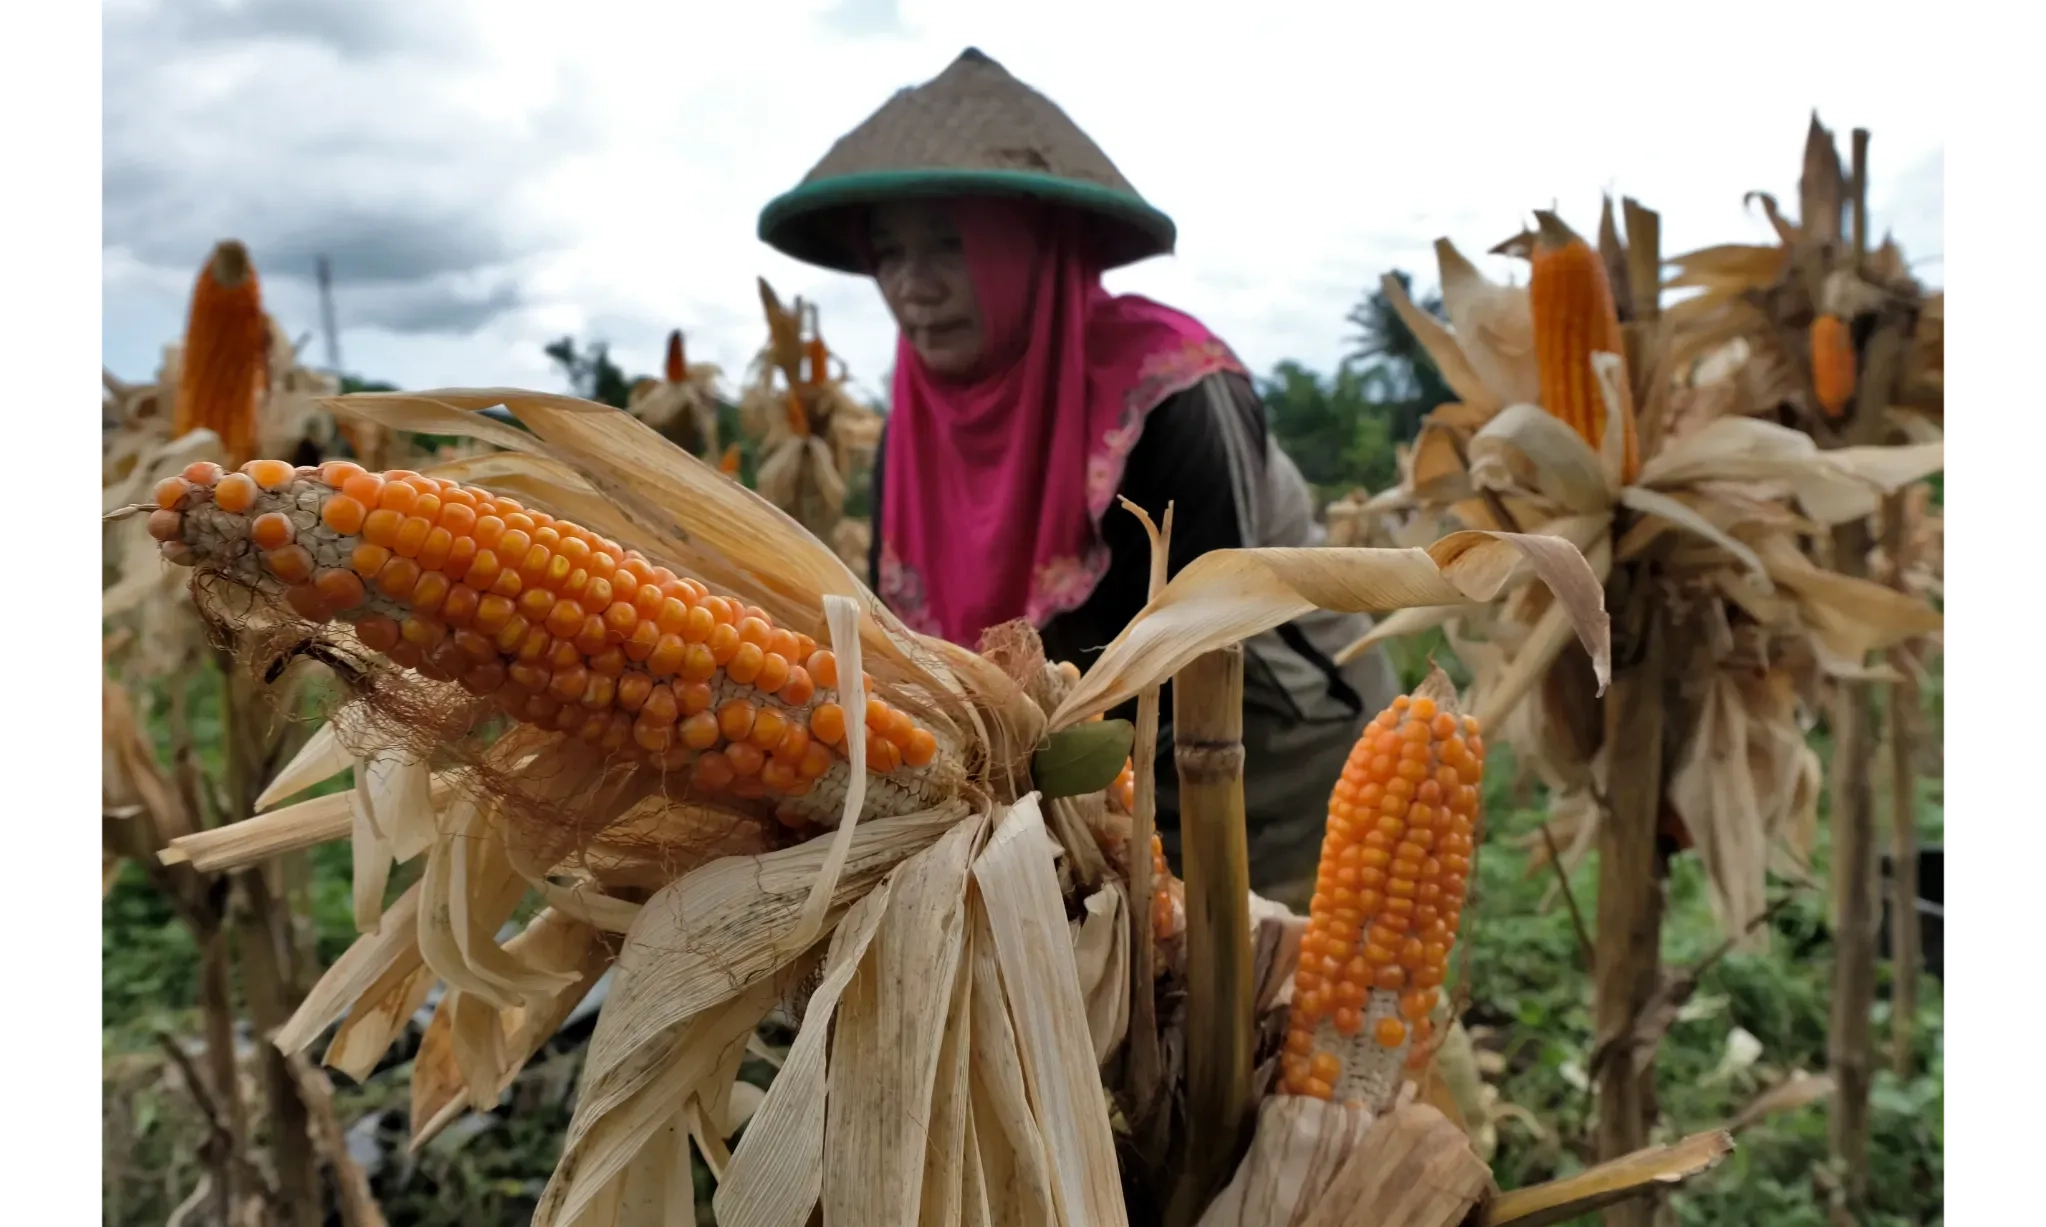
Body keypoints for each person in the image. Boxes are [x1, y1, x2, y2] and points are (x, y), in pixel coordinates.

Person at [755, 48, 1400, 899]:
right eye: (891, 251)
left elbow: (1198, 657)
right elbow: (896, 640)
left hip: (1260, 773)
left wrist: (1042, 827)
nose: (913, 287)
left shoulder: (1175, 390)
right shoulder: (922, 403)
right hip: (1057, 794)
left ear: (1030, 251)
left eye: (949, 245)